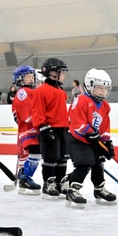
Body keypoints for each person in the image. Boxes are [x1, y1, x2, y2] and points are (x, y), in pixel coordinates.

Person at [66, 69, 117, 207]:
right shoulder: (81, 100)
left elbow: (105, 126)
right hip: (78, 139)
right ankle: (72, 189)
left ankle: (99, 189)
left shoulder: (105, 105)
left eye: (105, 88)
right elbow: (77, 123)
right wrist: (90, 132)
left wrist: (107, 142)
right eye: (99, 87)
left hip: (93, 139)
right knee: (85, 163)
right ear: (89, 86)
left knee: (99, 162)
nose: (102, 91)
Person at [31, 58, 70, 200]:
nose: (64, 76)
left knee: (63, 158)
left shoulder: (60, 91)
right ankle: (48, 184)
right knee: (51, 158)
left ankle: (60, 183)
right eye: (61, 72)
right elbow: (37, 112)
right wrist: (43, 127)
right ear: (53, 73)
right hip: (49, 130)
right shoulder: (41, 91)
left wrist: (68, 125)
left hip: (62, 129)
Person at [11, 66, 41, 195]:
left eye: (32, 76)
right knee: (35, 154)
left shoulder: (32, 91)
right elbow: (26, 113)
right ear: (20, 79)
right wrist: (40, 122)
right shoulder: (23, 92)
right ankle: (24, 177)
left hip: (35, 129)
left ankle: (24, 176)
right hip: (30, 130)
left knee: (37, 155)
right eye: (28, 76)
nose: (31, 78)